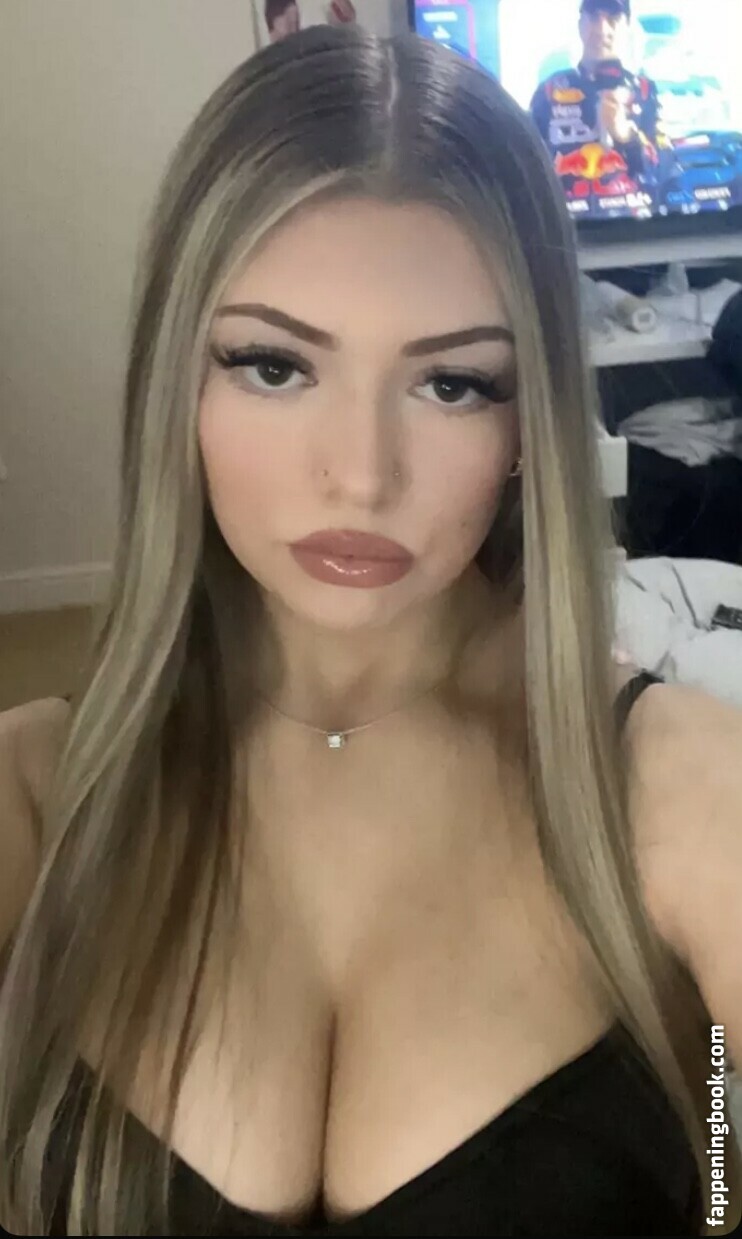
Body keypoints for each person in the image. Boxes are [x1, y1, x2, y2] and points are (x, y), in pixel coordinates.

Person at [0, 22, 740, 1239]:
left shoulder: (677, 792)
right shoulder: (39, 800)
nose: (360, 474)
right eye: (273, 366)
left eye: (452, 383)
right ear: (176, 381)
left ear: (526, 423)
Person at [530, 0, 665, 208]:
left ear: (627, 27)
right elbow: (527, 167)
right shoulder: (549, 91)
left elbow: (665, 173)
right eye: (594, 17)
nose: (602, 30)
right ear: (580, 25)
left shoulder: (645, 91)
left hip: (632, 220)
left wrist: (626, 136)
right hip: (567, 220)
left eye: (613, 19)